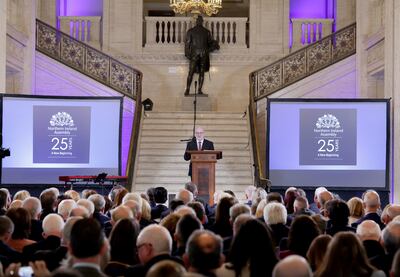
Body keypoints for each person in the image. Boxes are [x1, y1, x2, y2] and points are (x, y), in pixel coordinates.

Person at [184, 15, 219, 96]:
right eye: (199, 20)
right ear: (198, 21)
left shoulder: (205, 32)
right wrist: (187, 54)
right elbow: (187, 44)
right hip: (198, 54)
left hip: (200, 54)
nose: (199, 21)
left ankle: (197, 90)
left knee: (198, 72)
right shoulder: (193, 31)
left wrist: (214, 45)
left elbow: (187, 44)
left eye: (200, 20)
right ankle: (189, 89)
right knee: (193, 72)